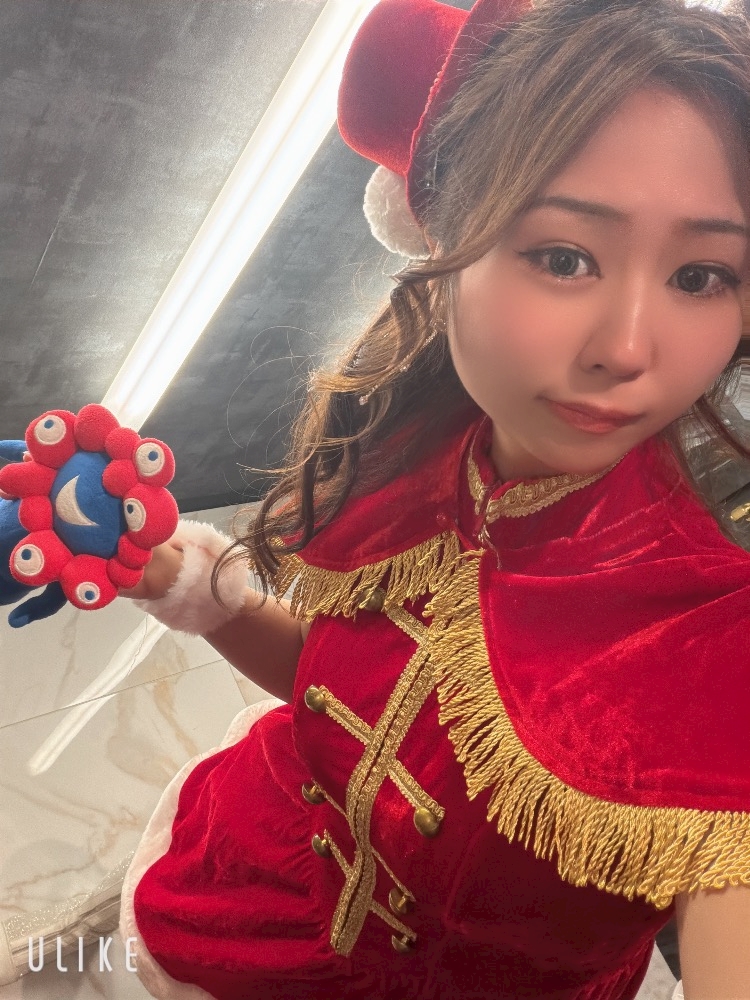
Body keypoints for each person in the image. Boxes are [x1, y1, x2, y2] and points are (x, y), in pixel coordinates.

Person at [117, 0, 750, 998]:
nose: (627, 348)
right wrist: (198, 594)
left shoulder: (712, 636)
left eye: (702, 275)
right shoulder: (418, 451)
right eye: (565, 257)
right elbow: (347, 692)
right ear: (447, 242)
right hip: (255, 886)